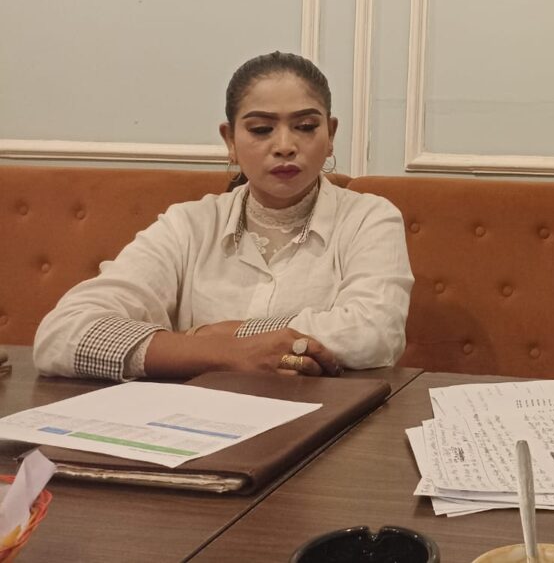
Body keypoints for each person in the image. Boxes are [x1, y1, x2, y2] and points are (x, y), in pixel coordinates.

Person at [34, 51, 414, 382]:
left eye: (305, 126)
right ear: (230, 140)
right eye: (262, 129)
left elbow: (375, 332)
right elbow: (62, 334)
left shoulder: (369, 218)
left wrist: (219, 335)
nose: (285, 146)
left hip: (326, 424)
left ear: (330, 134)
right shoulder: (188, 226)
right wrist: (223, 352)